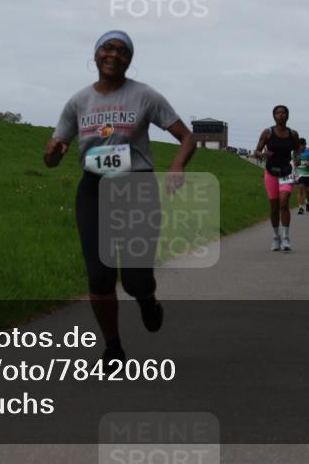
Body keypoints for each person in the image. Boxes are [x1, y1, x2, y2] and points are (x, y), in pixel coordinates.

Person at [44, 30, 196, 368]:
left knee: (134, 279)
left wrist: (177, 166)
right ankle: (112, 348)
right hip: (93, 189)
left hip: (136, 189)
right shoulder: (78, 101)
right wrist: (53, 152)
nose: (114, 55)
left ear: (130, 60)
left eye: (122, 51)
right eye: (107, 48)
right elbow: (52, 158)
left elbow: (186, 137)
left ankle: (146, 299)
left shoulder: (145, 96)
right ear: (95, 54)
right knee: (99, 276)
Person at [253, 106, 300, 252]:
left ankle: (286, 238)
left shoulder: (293, 134)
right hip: (271, 172)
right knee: (274, 207)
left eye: (284, 113)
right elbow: (256, 151)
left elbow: (297, 149)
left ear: (288, 116)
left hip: (286, 172)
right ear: (274, 116)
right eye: (278, 113)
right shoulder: (268, 133)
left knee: (284, 203)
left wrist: (297, 158)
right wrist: (262, 155)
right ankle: (276, 237)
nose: (281, 115)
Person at [296, 137, 309, 215]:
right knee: (300, 189)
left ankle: (307, 202)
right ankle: (300, 207)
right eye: (299, 146)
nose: (301, 148)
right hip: (299, 174)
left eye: (302, 146)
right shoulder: (295, 152)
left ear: (305, 145)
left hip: (308, 174)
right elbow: (291, 161)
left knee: (308, 192)